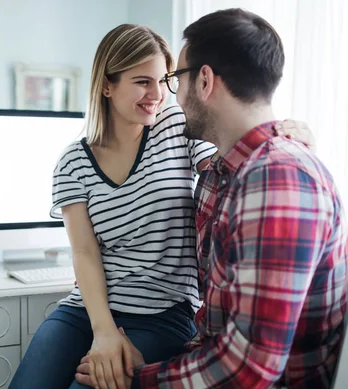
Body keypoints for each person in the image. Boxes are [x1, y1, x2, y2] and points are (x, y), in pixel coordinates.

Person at [9, 22, 314, 389]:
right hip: (88, 312)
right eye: (142, 81)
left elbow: (227, 165)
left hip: (163, 314)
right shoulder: (73, 162)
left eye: (162, 80)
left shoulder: (176, 125)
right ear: (107, 85)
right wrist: (103, 331)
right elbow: (86, 253)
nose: (157, 93)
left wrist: (284, 135)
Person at [75, 8, 348, 389]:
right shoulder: (220, 174)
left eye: (173, 79)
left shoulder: (278, 179)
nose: (168, 96)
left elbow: (247, 371)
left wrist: (138, 379)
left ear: (203, 81)